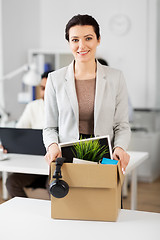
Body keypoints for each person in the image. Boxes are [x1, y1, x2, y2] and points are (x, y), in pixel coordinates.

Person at [43, 14, 131, 174]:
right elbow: (49, 127)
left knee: (105, 199)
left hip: (105, 159)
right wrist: (52, 145)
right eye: (75, 40)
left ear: (98, 40)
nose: (81, 46)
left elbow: (122, 125)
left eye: (88, 38)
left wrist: (120, 147)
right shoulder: (55, 79)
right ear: (69, 43)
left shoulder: (116, 77)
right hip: (67, 160)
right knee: (69, 199)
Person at [5, 71, 51, 198]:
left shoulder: (66, 109)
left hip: (54, 165)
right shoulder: (33, 106)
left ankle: (53, 216)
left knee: (53, 185)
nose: (45, 92)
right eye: (42, 88)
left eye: (49, 88)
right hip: (34, 163)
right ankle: (26, 213)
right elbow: (18, 132)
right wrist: (8, 144)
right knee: (11, 182)